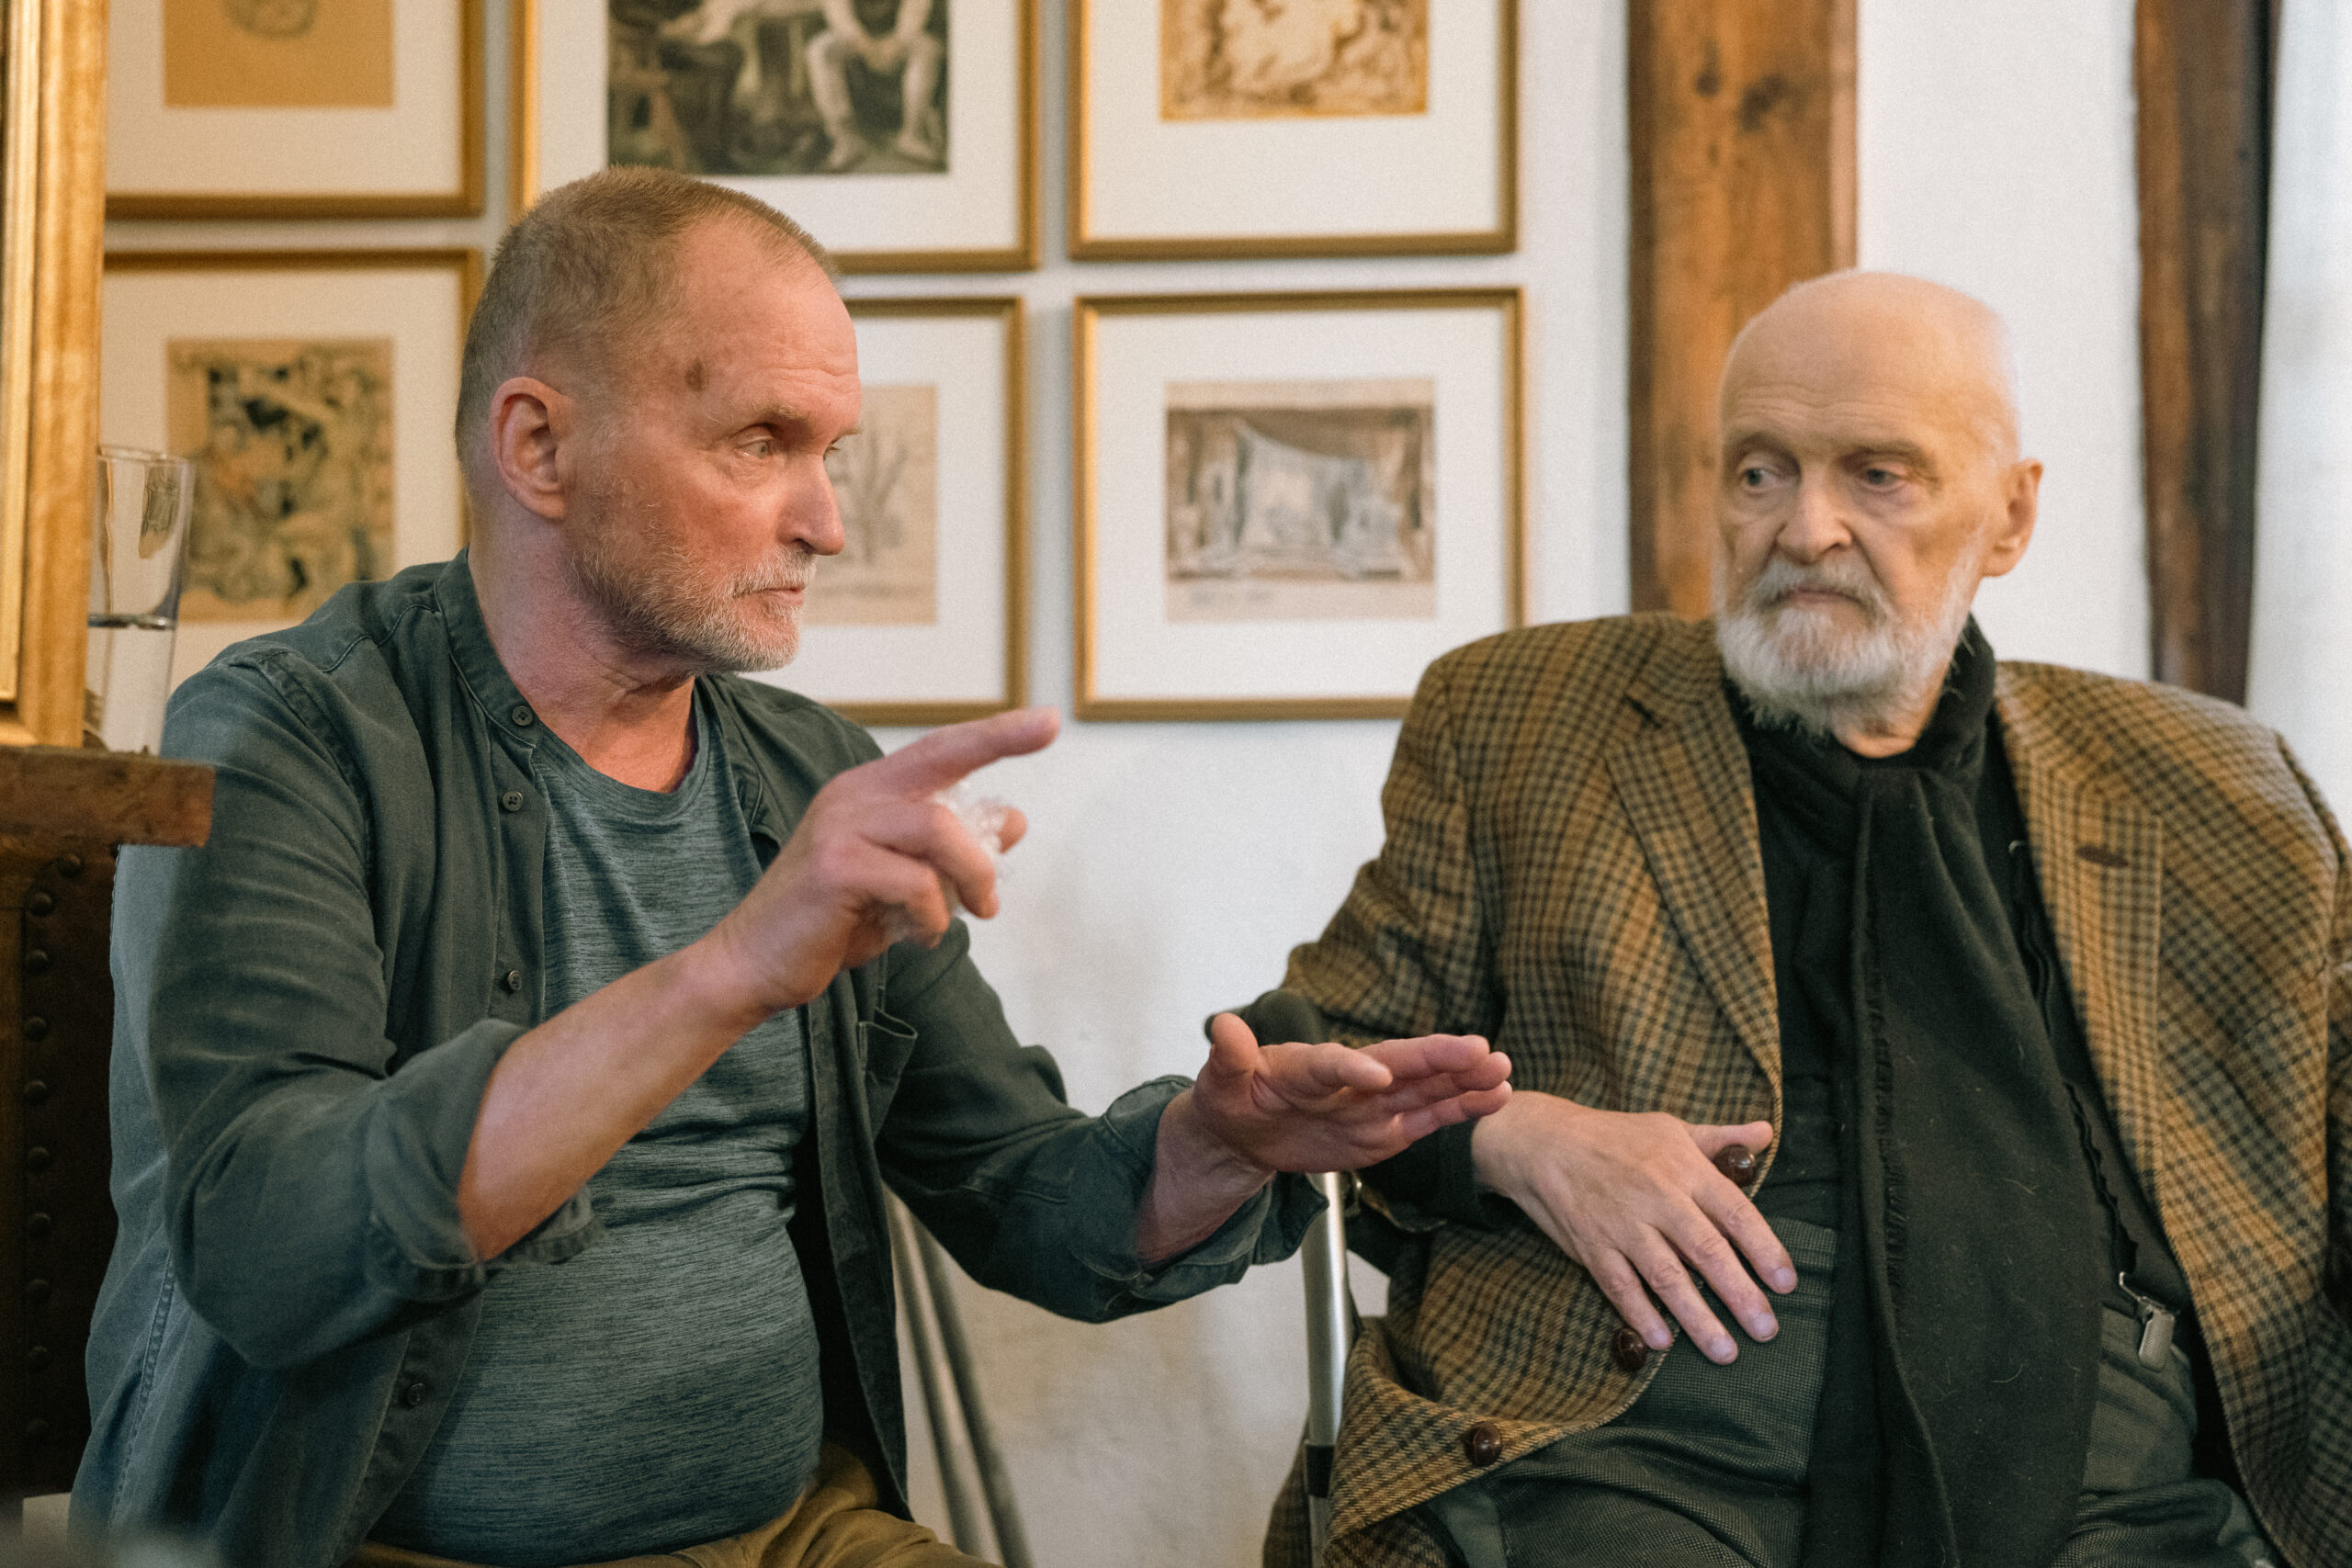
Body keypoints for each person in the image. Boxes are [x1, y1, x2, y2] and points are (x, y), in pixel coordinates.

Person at [69, 167, 1511, 1568]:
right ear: (539, 447)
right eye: (763, 441)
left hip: (797, 1529)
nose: (825, 519)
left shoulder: (808, 769)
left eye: (833, 453)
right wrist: (732, 968)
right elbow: (269, 1242)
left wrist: (1203, 1154)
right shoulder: (291, 735)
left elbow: (1013, 1184)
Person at [1244, 271, 2350, 1568]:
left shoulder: (2213, 784)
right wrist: (1515, 1133)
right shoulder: (1529, 717)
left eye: (1879, 475)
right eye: (1760, 472)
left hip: (2110, 1466)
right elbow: (1305, 1064)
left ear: (2010, 515)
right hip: (1633, 1433)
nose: (1805, 527)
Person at [806, 0, 943, 171]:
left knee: (928, 49)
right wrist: (863, 44)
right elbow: (837, 10)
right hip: (857, 39)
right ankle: (845, 140)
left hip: (899, 36)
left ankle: (913, 136)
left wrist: (896, 44)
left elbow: (916, 9)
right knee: (820, 49)